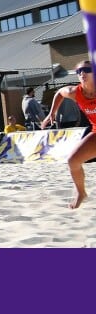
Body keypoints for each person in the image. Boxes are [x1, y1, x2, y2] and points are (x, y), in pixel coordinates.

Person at [40, 60, 96, 209]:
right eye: (79, 71)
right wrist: (52, 112)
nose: (82, 73)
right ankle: (81, 193)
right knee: (73, 161)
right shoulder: (75, 92)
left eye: (86, 69)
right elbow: (59, 93)